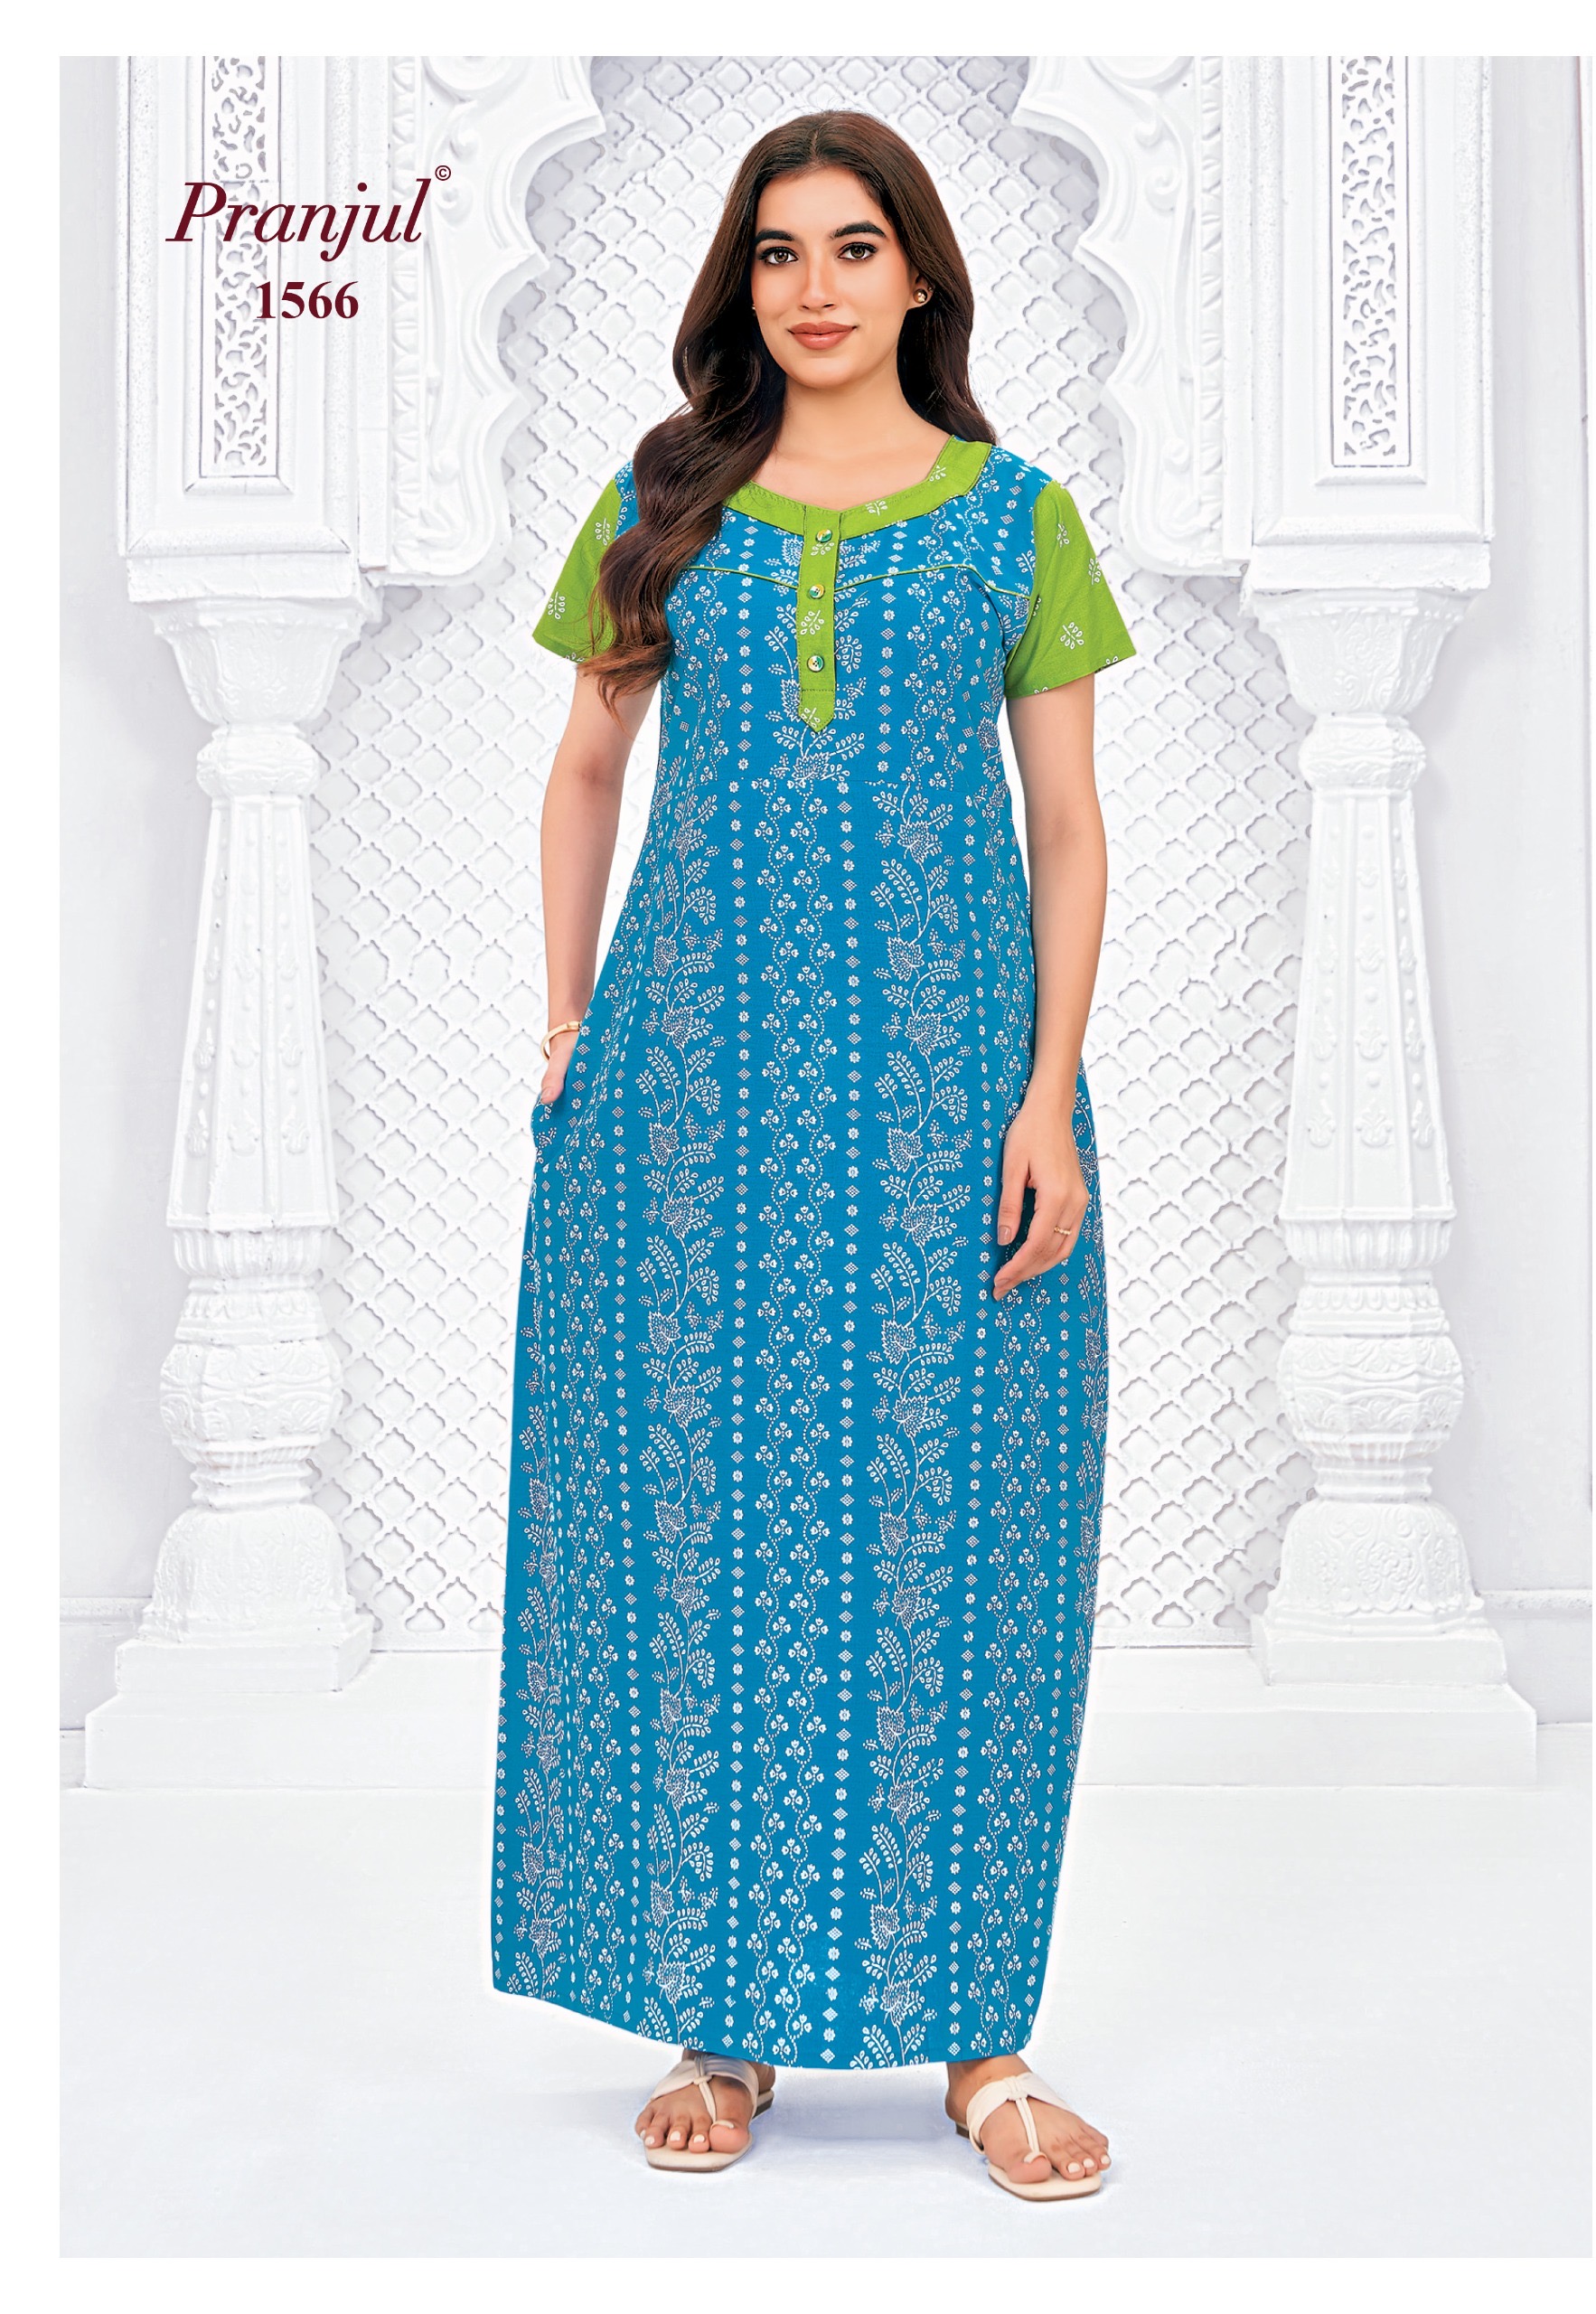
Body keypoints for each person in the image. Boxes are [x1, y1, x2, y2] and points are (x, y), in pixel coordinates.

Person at [492, 110, 1135, 2203]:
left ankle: (979, 2041)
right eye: (777, 253)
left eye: (854, 247)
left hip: (954, 1105)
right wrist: (570, 1027)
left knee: (965, 1539)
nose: (815, 288)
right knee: (708, 1527)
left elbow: (1068, 827)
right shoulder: (662, 503)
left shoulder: (1013, 517)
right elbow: (585, 765)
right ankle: (724, 2020)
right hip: (691, 1104)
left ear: (918, 274)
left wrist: (1045, 1095)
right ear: (739, 284)